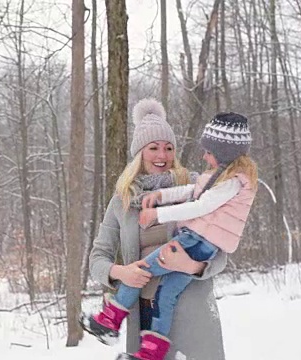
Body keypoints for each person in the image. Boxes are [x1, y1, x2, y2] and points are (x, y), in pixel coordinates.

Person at [83, 112, 258, 360]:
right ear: (139, 153)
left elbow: (219, 249)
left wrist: (194, 266)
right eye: (153, 147)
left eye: (168, 148)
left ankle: (111, 319)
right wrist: (122, 273)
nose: (162, 155)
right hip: (144, 317)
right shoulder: (121, 202)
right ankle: (115, 323)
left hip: (191, 314)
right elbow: (98, 258)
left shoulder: (199, 185)